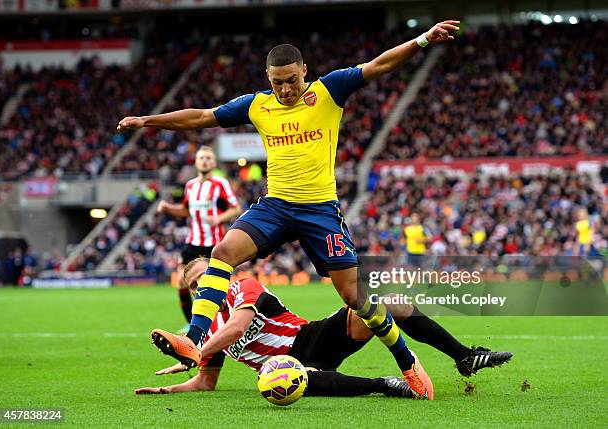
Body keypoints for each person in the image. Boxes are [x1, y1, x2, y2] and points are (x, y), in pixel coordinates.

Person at [118, 20, 461, 399]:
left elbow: (379, 65)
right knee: (223, 253)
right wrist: (148, 120)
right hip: (276, 205)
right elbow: (201, 117)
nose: (285, 89)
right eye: (277, 82)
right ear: (268, 76)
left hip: (320, 210)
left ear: (304, 72)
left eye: (291, 81)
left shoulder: (329, 90)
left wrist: (424, 39)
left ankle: (406, 361)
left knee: (354, 296)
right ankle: (193, 338)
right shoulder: (258, 104)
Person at [139, 257, 512, 397]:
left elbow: (239, 328)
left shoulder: (244, 287)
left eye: (207, 277)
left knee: (388, 301)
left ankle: (464, 356)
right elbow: (206, 382)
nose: (203, 286)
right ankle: (387, 385)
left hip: (311, 336)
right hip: (284, 369)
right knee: (299, 379)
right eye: (194, 286)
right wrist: (169, 388)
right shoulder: (205, 328)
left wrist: (195, 349)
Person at [156, 146, 242, 325]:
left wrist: (218, 218)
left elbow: (236, 208)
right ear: (196, 162)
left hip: (215, 244)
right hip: (193, 242)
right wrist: (168, 208)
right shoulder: (190, 185)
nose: (204, 161)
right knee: (181, 281)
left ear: (214, 162)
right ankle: (191, 324)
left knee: (217, 285)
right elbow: (186, 211)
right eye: (201, 158)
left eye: (208, 158)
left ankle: (225, 322)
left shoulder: (220, 183)